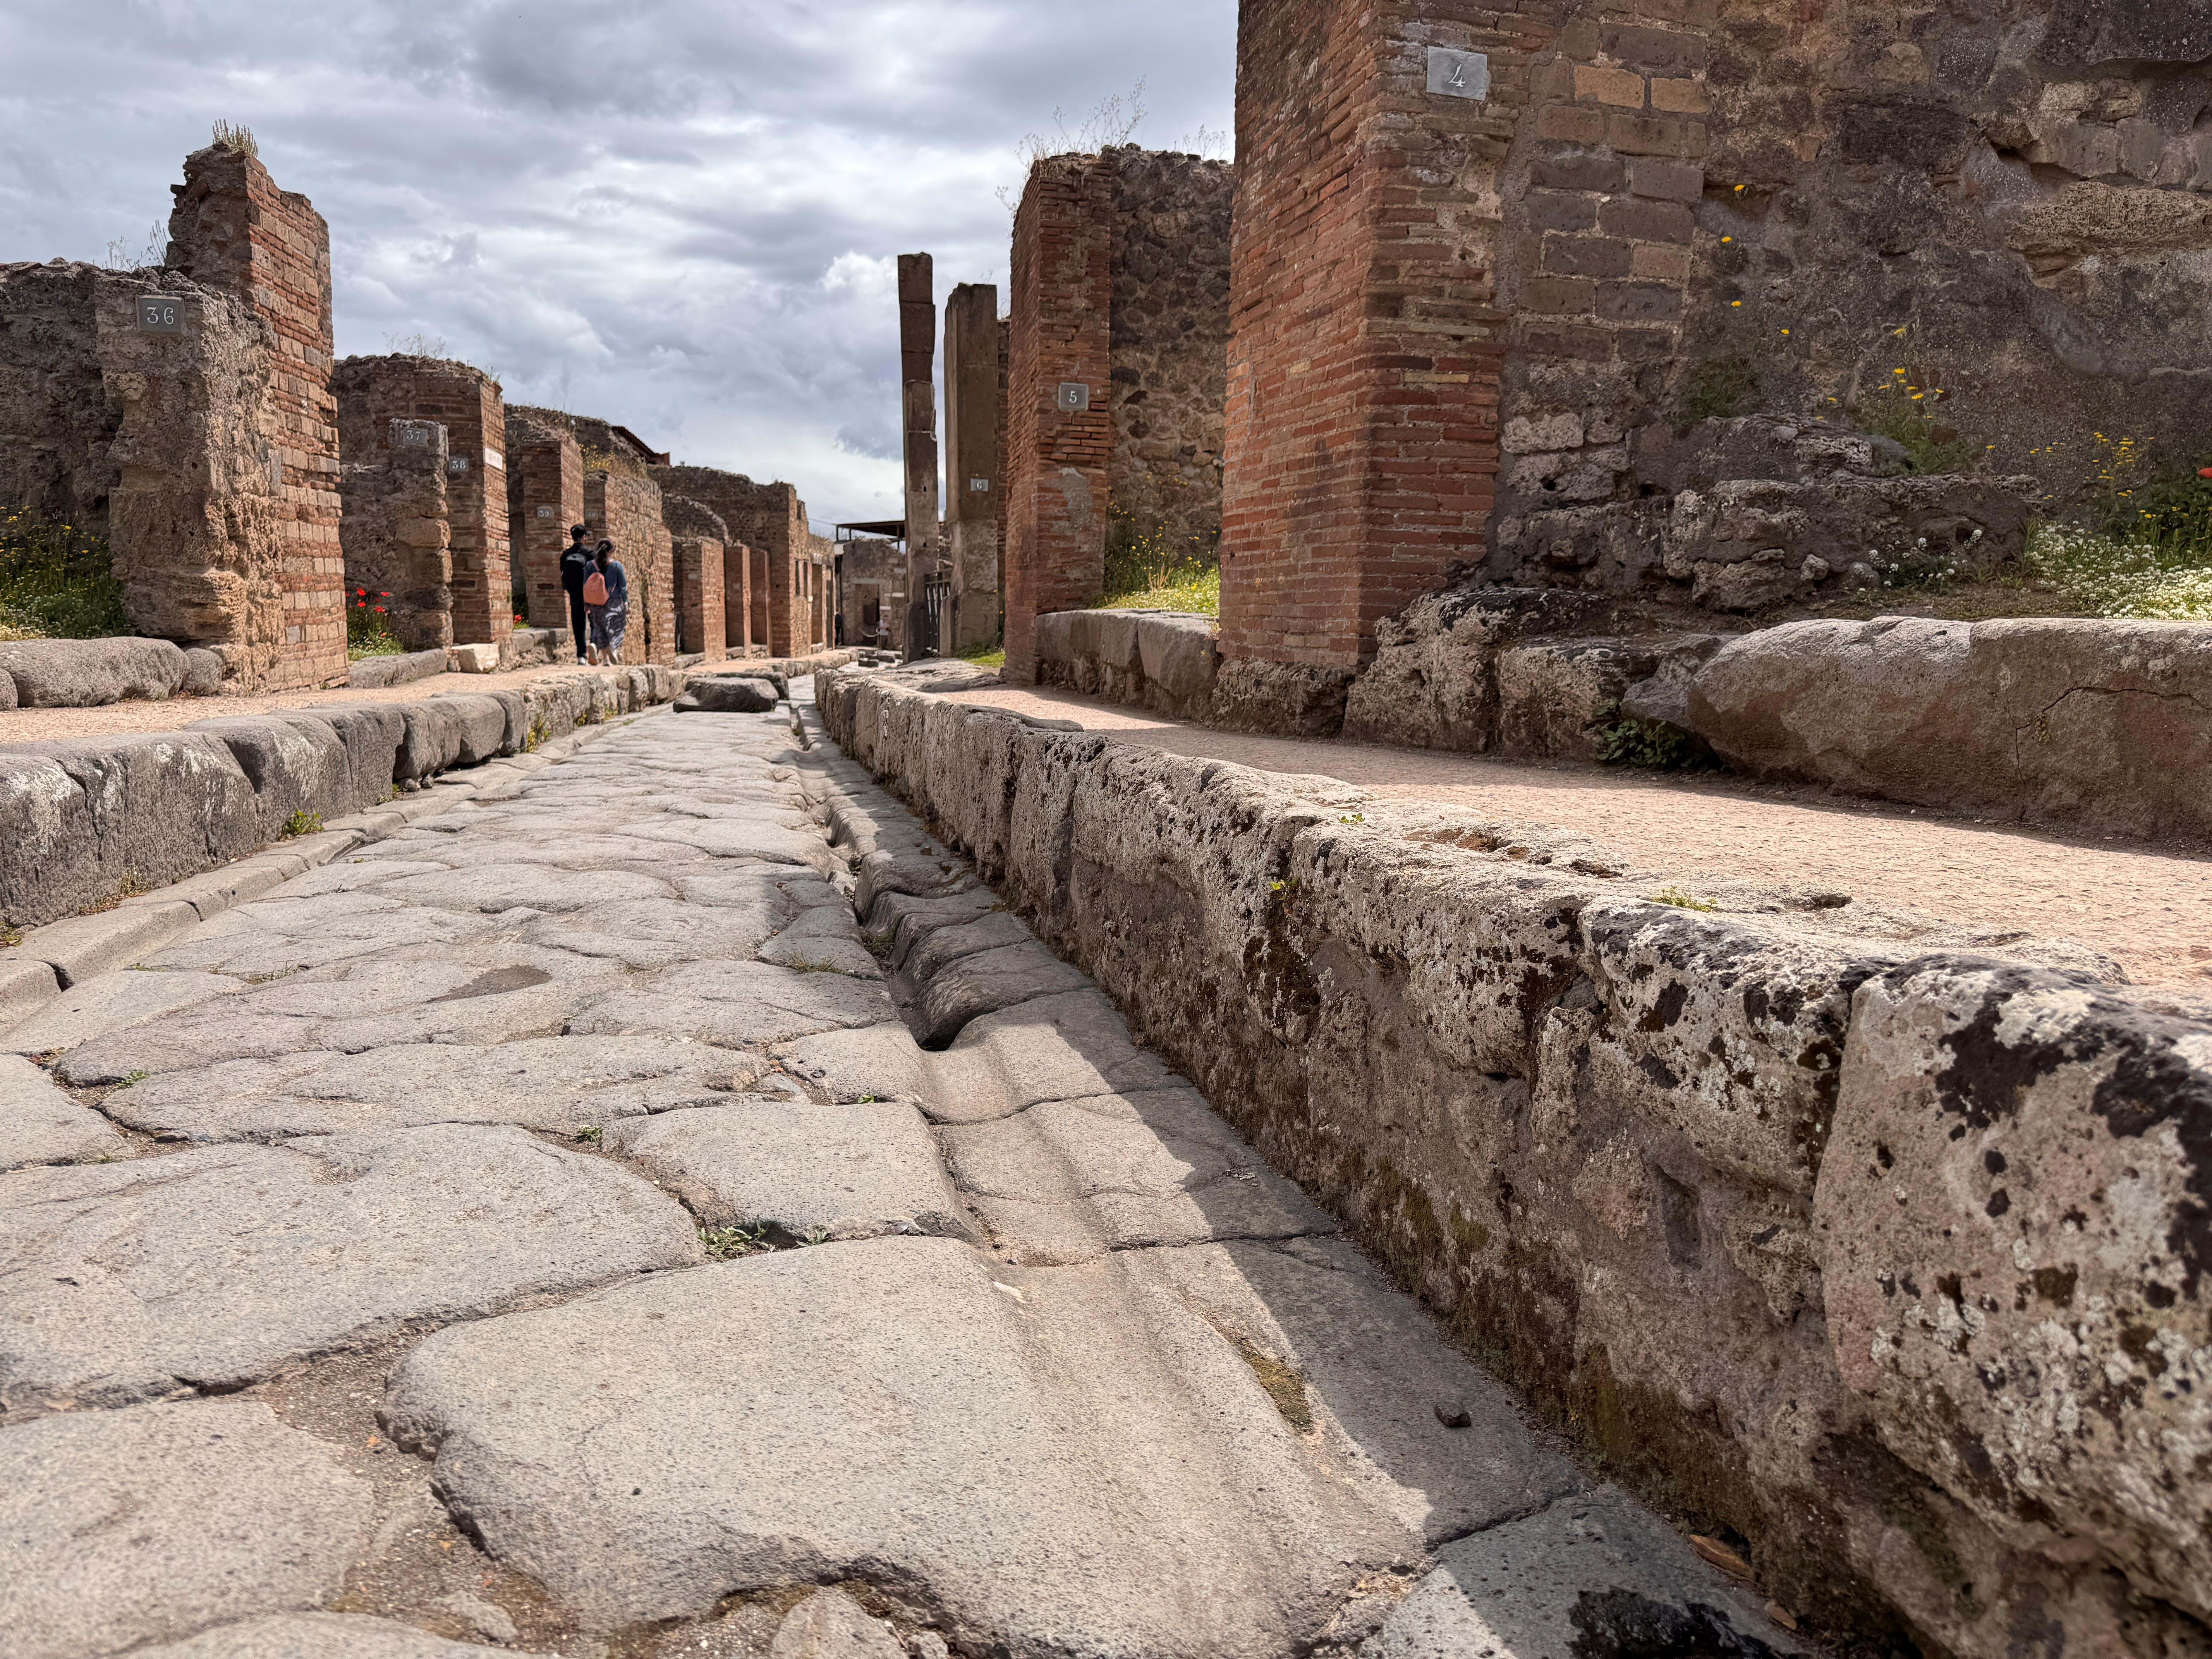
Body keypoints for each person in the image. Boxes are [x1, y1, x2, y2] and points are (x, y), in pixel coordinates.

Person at [585, 540, 629, 666]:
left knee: (599, 627)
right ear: (612, 551)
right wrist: (626, 602)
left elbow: (585, 586)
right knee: (616, 627)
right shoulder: (617, 566)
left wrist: (586, 603)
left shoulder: (590, 566)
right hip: (613, 602)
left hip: (595, 602)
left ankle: (598, 650)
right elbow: (623, 587)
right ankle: (612, 649)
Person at [558, 525, 596, 664]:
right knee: (595, 623)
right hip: (591, 595)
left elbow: (563, 572)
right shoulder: (591, 555)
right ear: (585, 537)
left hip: (575, 594)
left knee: (578, 623)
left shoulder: (566, 554)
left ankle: (582, 655)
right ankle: (593, 645)